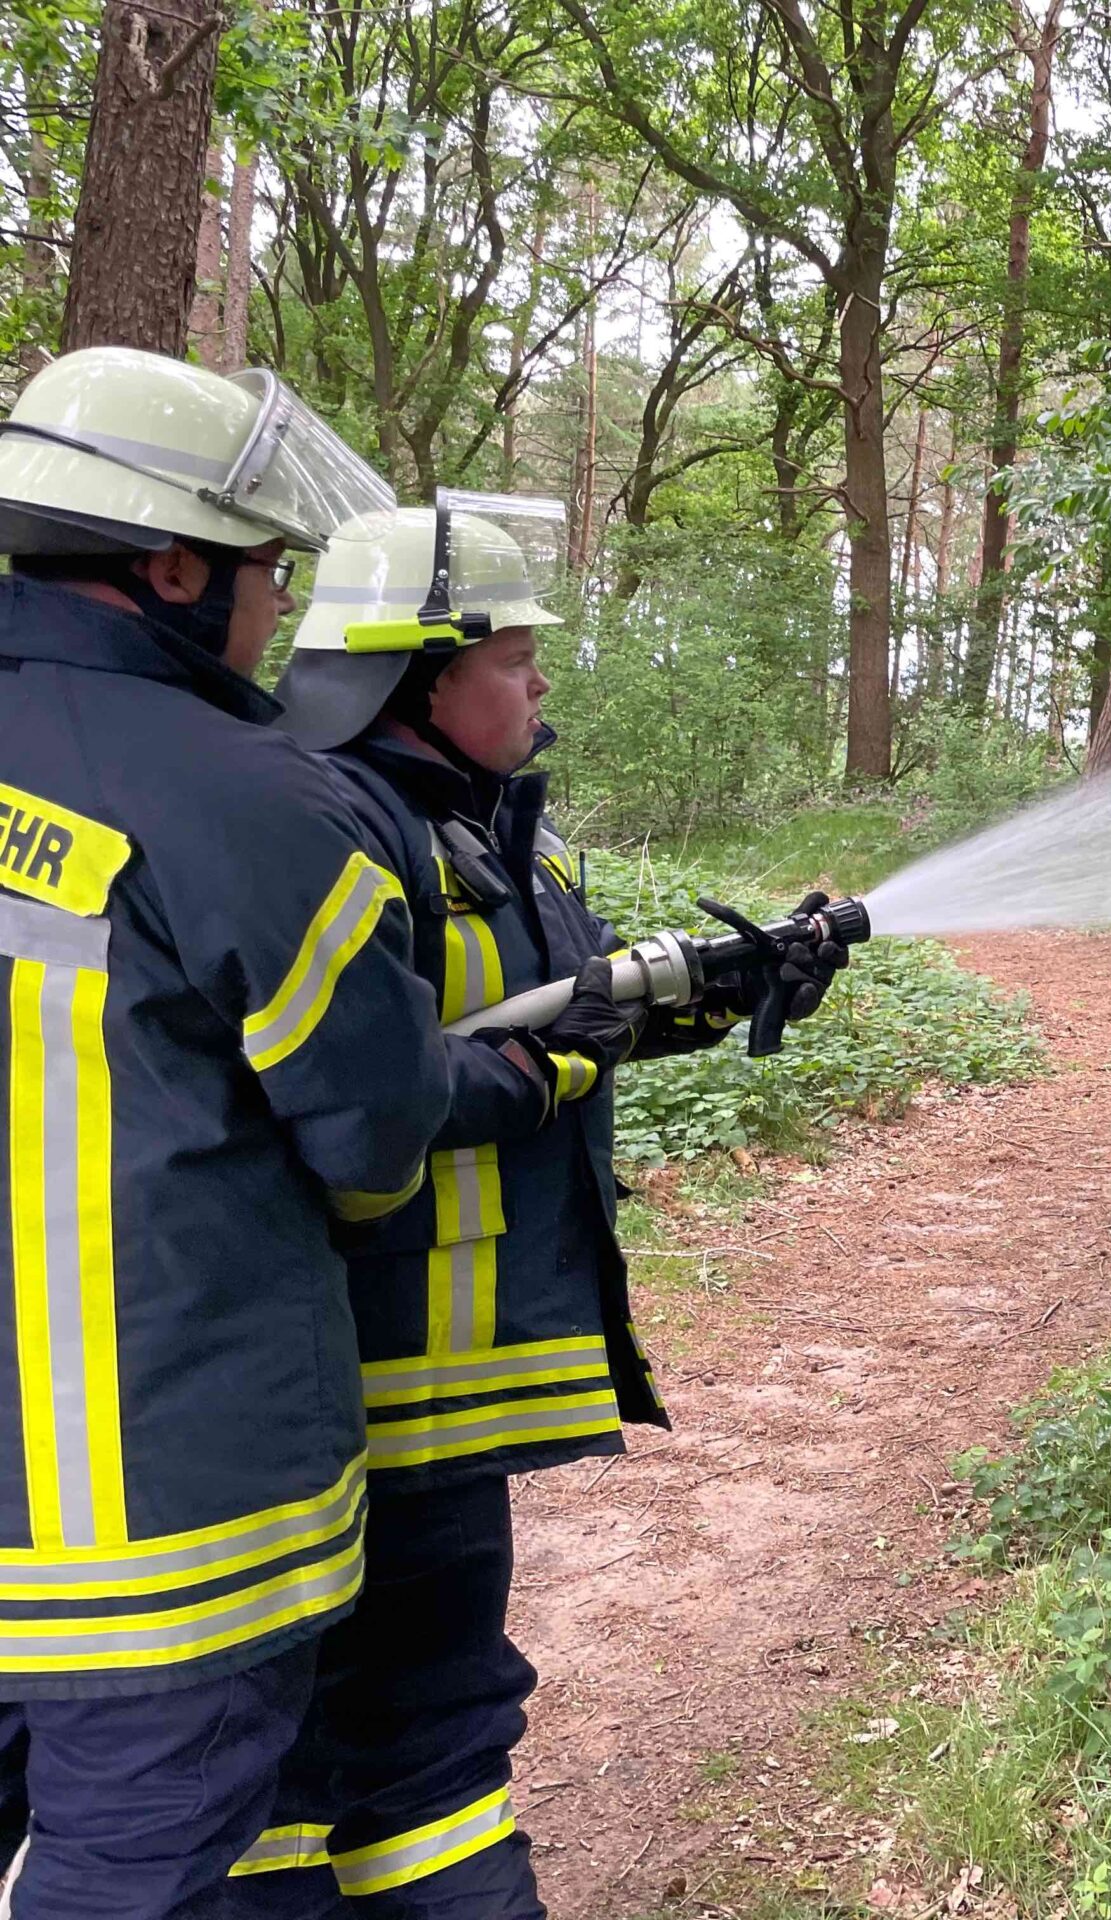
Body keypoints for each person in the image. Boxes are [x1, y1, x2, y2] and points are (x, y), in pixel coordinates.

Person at [232, 498, 844, 1915]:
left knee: (421, 1739)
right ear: (426, 674)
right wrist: (538, 1072)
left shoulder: (495, 823)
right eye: (517, 657)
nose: (541, 684)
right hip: (353, 1386)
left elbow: (565, 1012)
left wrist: (727, 984)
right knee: (330, 1756)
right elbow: (363, 1085)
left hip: (447, 1393)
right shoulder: (329, 830)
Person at [0, 346, 450, 1917]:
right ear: (174, 565)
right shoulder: (248, 800)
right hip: (156, 1522)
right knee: (134, 1878)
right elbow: (377, 1141)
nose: (278, 611)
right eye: (268, 569)